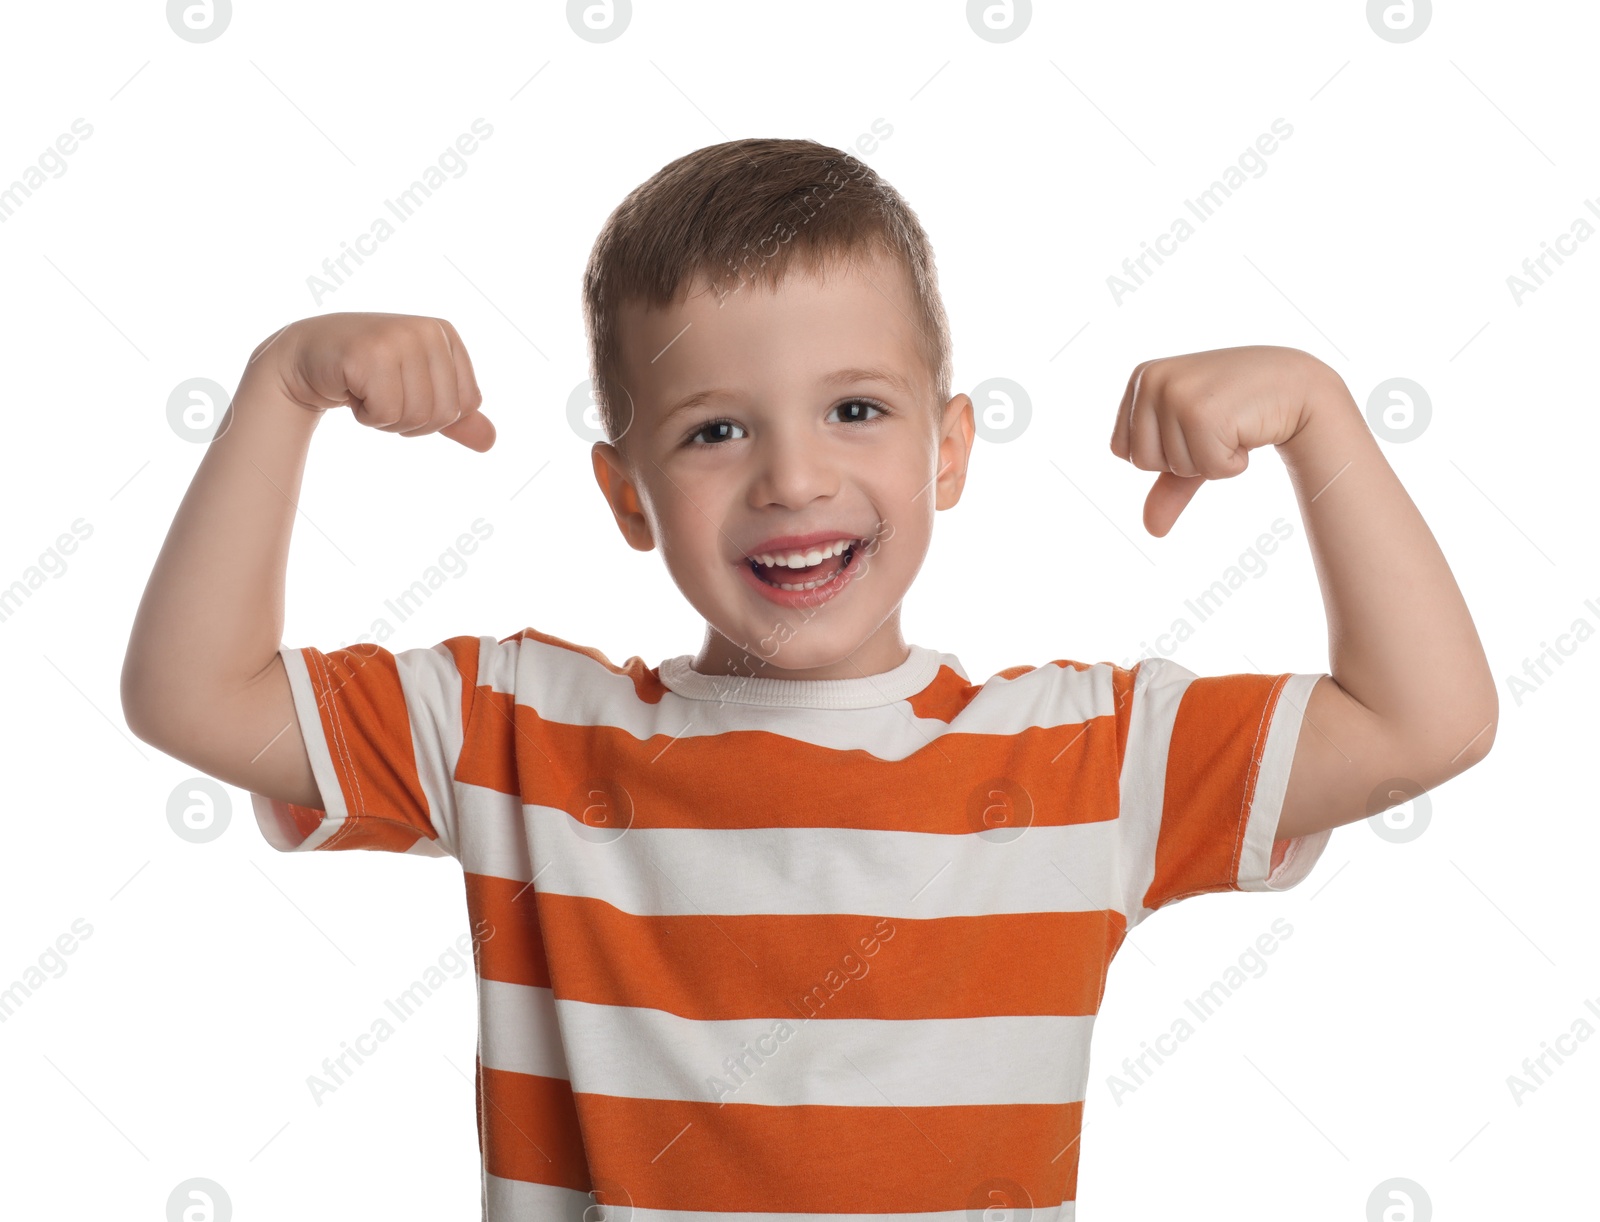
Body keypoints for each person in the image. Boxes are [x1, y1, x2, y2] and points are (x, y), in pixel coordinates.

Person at [121, 137, 1497, 1220]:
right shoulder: (516, 730)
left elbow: (1426, 721)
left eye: (856, 409)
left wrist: (1322, 416)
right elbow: (195, 695)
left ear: (948, 450)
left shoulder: (1090, 756)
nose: (792, 477)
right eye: (716, 428)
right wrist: (279, 391)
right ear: (628, 494)